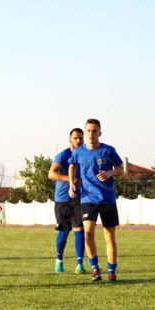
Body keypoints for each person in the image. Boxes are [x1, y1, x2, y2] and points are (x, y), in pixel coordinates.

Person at [68, 119, 124, 282]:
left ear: (100, 133)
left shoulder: (108, 150)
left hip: (107, 199)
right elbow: (72, 165)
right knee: (88, 232)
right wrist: (71, 184)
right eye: (88, 130)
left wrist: (110, 173)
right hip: (88, 199)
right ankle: (95, 269)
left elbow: (121, 169)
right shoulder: (79, 152)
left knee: (109, 235)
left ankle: (111, 270)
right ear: (85, 132)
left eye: (94, 131)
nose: (91, 133)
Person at [48, 128, 86, 274]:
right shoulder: (63, 155)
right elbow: (51, 174)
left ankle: (79, 264)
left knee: (79, 229)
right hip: (63, 198)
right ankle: (59, 261)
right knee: (64, 231)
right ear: (70, 139)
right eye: (75, 138)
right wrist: (70, 179)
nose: (78, 140)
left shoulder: (85, 154)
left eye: (80, 138)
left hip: (80, 197)